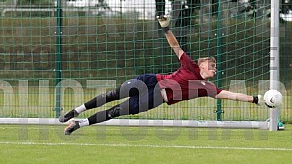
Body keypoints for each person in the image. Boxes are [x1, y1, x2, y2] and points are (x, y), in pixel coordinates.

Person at [60, 15, 264, 135]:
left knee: (116, 111)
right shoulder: (190, 64)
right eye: (212, 65)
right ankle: (76, 111)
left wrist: (255, 99)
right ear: (201, 64)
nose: (215, 69)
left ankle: (80, 124)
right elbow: (175, 46)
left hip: (158, 96)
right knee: (114, 94)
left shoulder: (208, 88)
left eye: (215, 67)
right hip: (151, 80)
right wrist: (166, 28)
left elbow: (232, 95)